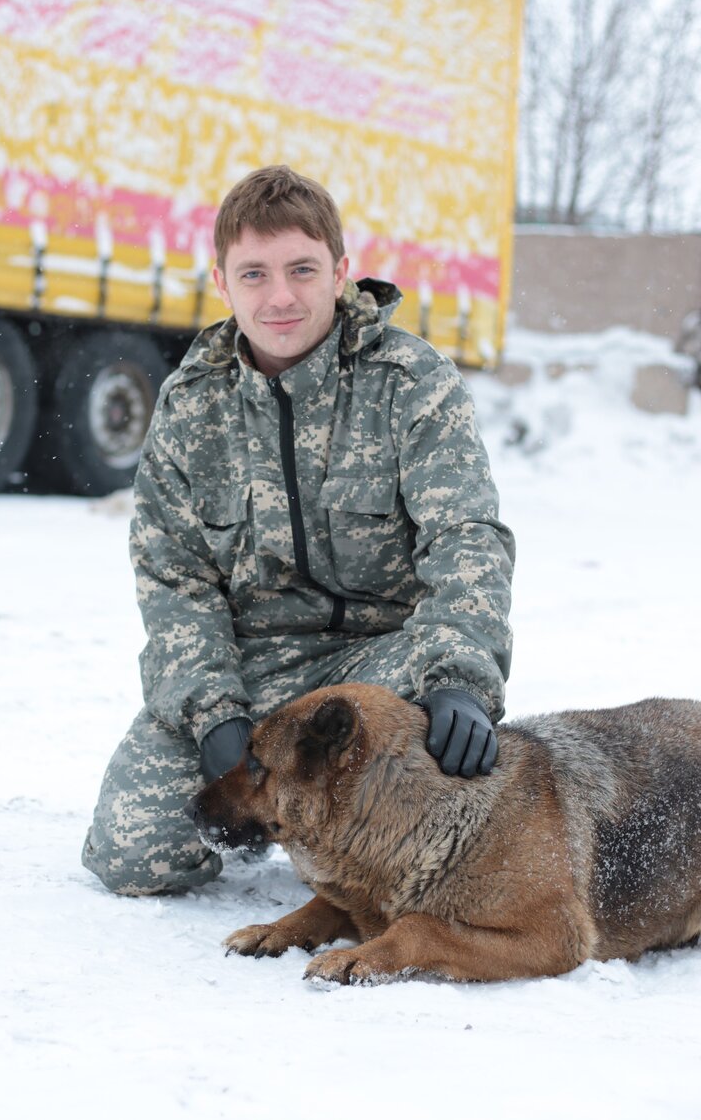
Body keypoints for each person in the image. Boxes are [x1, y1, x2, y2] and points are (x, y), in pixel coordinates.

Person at [82, 165, 515, 896]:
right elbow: (174, 580)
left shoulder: (411, 382)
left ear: (341, 272)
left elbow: (465, 538)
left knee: (431, 848)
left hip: (387, 664)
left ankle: (377, 819)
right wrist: (216, 712)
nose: (279, 296)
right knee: (134, 856)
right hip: (252, 671)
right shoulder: (190, 408)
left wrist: (461, 680)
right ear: (222, 282)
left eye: (302, 270)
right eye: (254, 273)